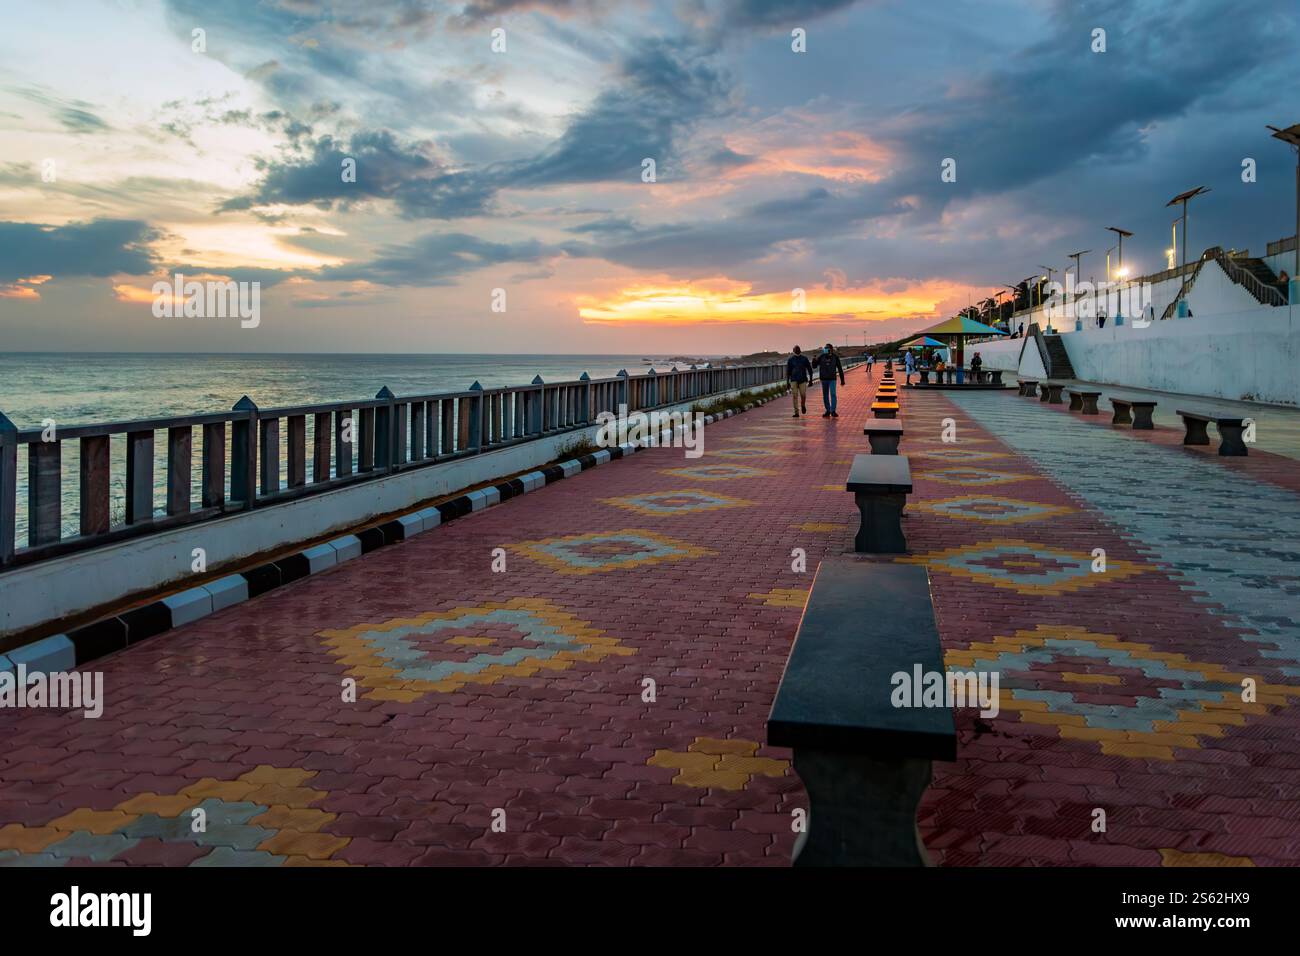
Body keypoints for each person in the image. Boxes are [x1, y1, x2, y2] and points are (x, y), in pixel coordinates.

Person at [813, 343, 846, 418]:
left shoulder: (835, 357)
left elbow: (840, 369)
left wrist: (842, 380)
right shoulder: (821, 356)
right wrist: (814, 360)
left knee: (833, 394)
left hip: (832, 379)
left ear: (831, 349)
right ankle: (828, 410)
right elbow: (814, 366)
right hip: (824, 379)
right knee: (825, 395)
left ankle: (833, 411)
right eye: (825, 348)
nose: (825, 349)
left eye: (827, 348)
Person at [786, 345, 813, 418]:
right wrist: (787, 383)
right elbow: (788, 372)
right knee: (795, 396)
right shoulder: (790, 360)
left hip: (803, 379)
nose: (797, 350)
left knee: (803, 395)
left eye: (798, 349)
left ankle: (803, 405)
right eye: (795, 349)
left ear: (800, 350)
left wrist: (811, 380)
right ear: (793, 351)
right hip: (793, 380)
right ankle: (796, 412)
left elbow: (810, 369)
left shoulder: (804, 359)